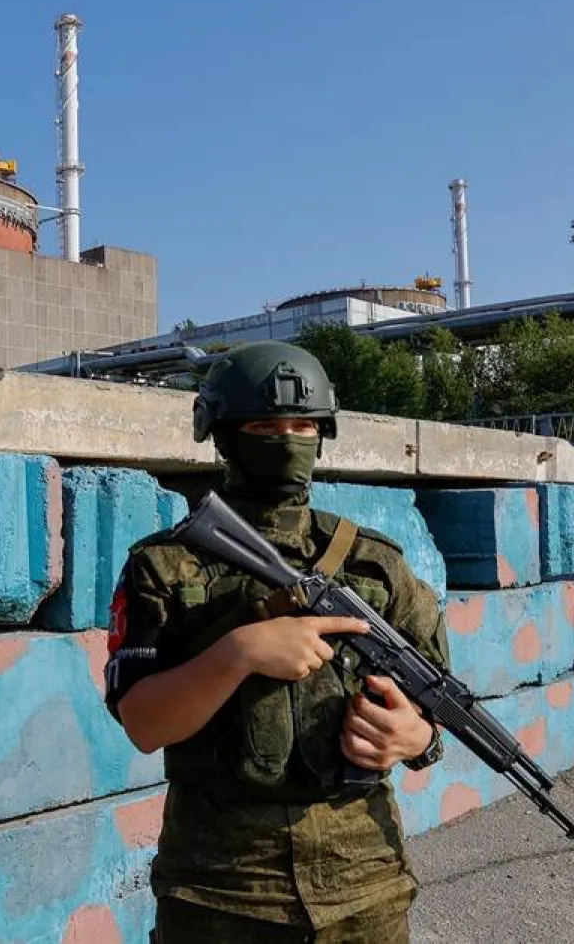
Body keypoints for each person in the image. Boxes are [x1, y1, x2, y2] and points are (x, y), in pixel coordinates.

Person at [103, 340, 451, 943]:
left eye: (303, 425)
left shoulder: (376, 567)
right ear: (222, 434)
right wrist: (238, 654)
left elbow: (434, 704)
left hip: (364, 885)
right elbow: (143, 723)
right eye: (265, 425)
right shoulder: (166, 566)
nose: (287, 437)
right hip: (222, 893)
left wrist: (415, 737)